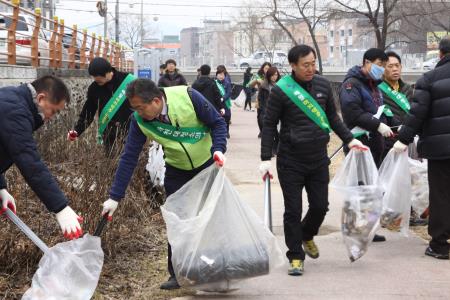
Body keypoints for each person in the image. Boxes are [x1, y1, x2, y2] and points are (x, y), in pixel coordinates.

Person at [101, 79, 228, 289]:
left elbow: (217, 123)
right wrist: (115, 197)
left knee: (211, 218)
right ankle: (177, 273)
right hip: (177, 170)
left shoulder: (188, 97)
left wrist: (218, 148)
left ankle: (218, 268)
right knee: (175, 221)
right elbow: (129, 157)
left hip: (208, 163)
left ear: (157, 100)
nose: (139, 113)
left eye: (141, 108)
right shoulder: (139, 121)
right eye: (135, 109)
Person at [259, 45, 367, 276]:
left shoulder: (323, 85)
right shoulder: (281, 90)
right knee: (292, 210)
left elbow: (332, 118)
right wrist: (266, 158)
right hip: (290, 160)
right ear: (293, 66)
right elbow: (269, 125)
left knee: (320, 206)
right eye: (305, 65)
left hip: (318, 158)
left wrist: (350, 140)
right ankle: (295, 256)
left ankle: (306, 234)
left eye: (313, 63)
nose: (310, 69)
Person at [0, 76, 83, 240]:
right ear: (41, 98)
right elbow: (29, 161)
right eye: (54, 110)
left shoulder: (13, 100)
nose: (52, 117)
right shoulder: (14, 111)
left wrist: (1, 187)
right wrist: (61, 208)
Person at [393, 37, 450, 260]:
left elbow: (417, 114)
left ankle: (439, 244)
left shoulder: (429, 79)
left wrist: (403, 139)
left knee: (441, 194)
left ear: (440, 54)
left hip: (440, 149)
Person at [340, 48, 391, 242]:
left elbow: (378, 110)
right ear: (367, 62)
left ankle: (368, 227)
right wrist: (378, 124)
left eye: (384, 66)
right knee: (359, 186)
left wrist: (387, 122)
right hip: (358, 143)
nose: (382, 69)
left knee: (371, 187)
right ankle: (354, 226)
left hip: (375, 143)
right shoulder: (351, 85)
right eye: (380, 64)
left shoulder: (375, 86)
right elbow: (352, 113)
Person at [380, 51, 426, 226]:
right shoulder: (379, 90)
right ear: (383, 69)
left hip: (408, 140)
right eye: (390, 66)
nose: (394, 69)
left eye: (397, 66)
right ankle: (389, 215)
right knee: (390, 179)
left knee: (411, 177)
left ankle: (410, 213)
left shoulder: (408, 89)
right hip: (388, 140)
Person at [68, 57, 134, 156]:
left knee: (129, 161)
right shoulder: (94, 89)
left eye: (98, 77)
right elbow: (88, 113)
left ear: (109, 72)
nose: (95, 79)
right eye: (93, 77)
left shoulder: (129, 81)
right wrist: (77, 130)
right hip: (109, 134)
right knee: (111, 163)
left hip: (130, 131)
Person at [258, 66, 281, 155]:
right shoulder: (264, 86)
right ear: (269, 76)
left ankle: (275, 148)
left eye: (276, 75)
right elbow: (261, 100)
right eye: (272, 75)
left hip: (279, 113)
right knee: (270, 133)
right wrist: (263, 112)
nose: (274, 77)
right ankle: (269, 150)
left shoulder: (281, 86)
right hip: (267, 113)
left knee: (278, 133)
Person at [248, 62, 272, 137]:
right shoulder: (258, 76)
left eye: (268, 68)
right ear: (263, 69)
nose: (267, 70)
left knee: (268, 115)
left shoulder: (272, 76)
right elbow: (249, 85)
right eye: (266, 68)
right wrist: (256, 81)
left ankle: (266, 131)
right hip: (260, 98)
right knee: (259, 116)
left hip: (270, 98)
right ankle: (261, 130)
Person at [216, 65, 232, 138]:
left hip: (225, 103)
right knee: (219, 117)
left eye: (222, 74)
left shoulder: (227, 83)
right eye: (219, 74)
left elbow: (229, 93)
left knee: (227, 117)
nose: (221, 76)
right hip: (217, 103)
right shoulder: (214, 83)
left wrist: (223, 98)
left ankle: (227, 130)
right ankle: (220, 132)